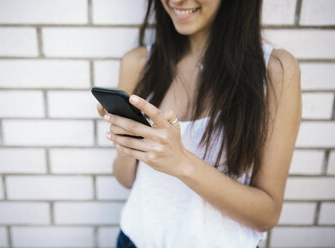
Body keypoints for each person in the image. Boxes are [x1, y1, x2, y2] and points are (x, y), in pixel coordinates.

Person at [96, 0, 301, 247]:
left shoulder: (275, 70)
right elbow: (127, 179)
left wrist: (181, 162)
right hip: (136, 239)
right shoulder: (138, 63)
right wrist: (128, 146)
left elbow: (267, 215)